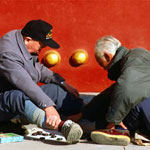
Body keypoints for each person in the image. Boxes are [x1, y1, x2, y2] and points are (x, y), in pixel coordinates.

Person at [0, 19, 84, 144]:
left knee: (54, 90)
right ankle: (59, 125)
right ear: (28, 39)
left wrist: (62, 82)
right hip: (5, 102)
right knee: (17, 96)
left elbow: (37, 68)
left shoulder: (23, 42)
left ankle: (89, 113)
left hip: (19, 96)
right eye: (42, 44)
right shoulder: (7, 53)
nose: (44, 48)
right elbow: (25, 83)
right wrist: (48, 107)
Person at [68, 35, 150, 145]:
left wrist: (112, 122)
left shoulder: (134, 59)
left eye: (102, 64)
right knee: (118, 103)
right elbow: (112, 93)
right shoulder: (133, 58)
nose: (104, 69)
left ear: (108, 57)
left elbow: (126, 89)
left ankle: (113, 131)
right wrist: (83, 114)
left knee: (130, 105)